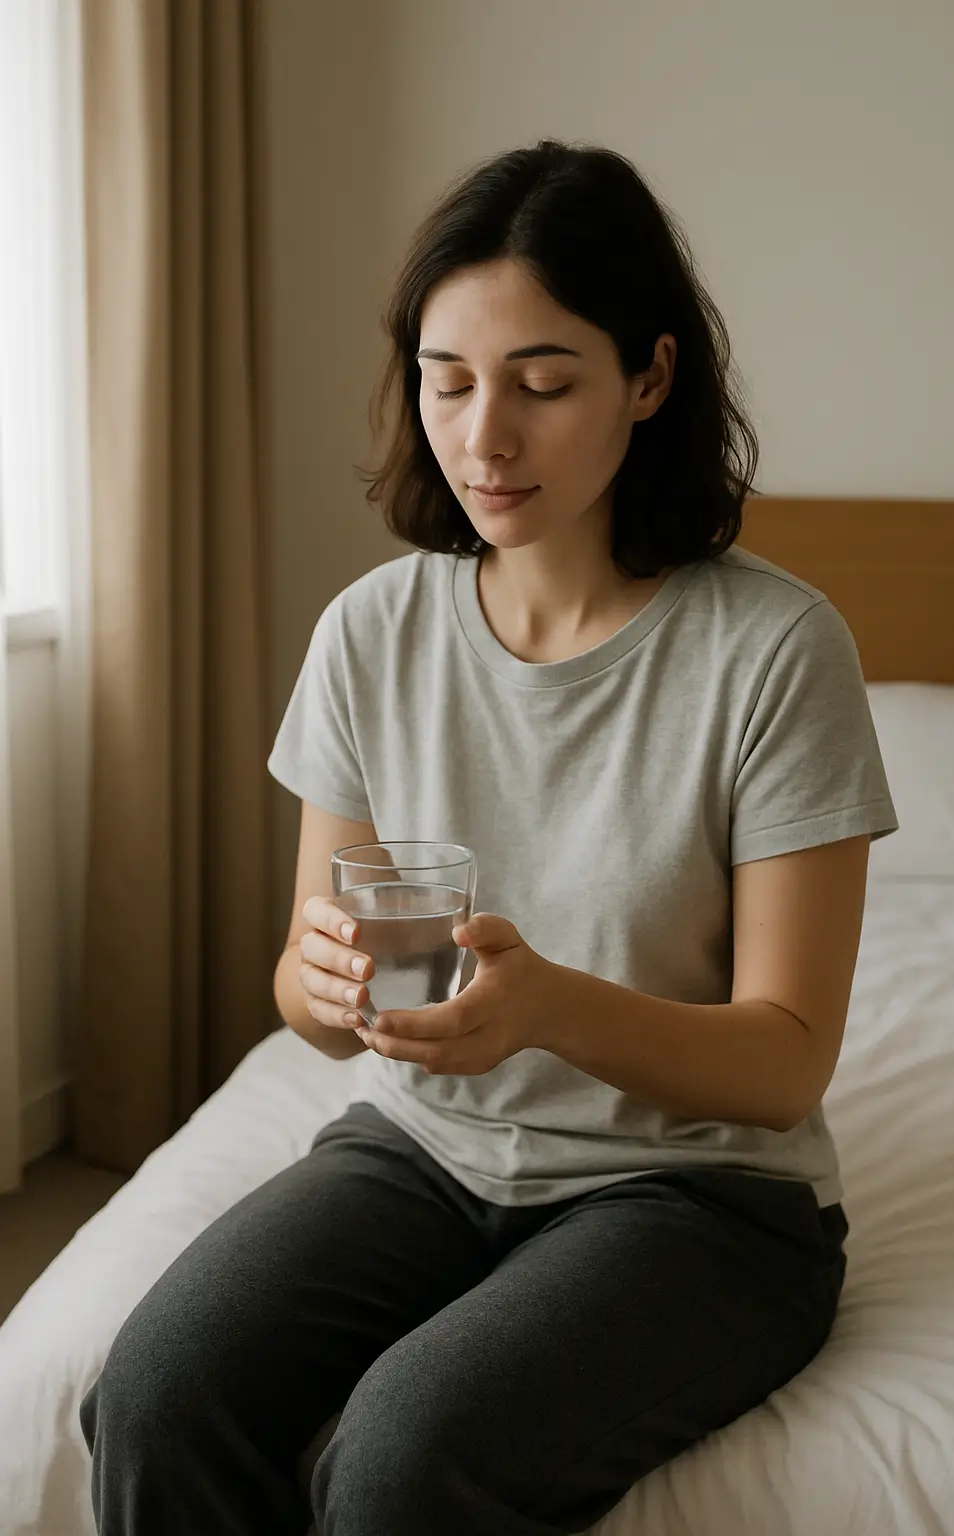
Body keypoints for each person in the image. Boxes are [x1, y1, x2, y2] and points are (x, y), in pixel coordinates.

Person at [80, 139, 898, 1536]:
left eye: (541, 384)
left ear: (648, 378)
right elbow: (309, 994)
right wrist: (322, 987)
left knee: (403, 1459)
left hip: (699, 1197)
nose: (483, 438)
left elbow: (783, 1062)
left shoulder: (774, 650)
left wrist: (548, 1011)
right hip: (426, 1152)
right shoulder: (371, 634)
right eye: (446, 383)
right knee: (151, 1393)